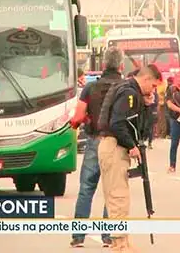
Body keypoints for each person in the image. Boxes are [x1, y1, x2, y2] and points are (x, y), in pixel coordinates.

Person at [98, 65, 161, 252]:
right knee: (118, 197)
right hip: (115, 146)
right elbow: (117, 124)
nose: (154, 91)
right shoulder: (129, 94)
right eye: (154, 86)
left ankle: (122, 240)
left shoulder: (130, 91)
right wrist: (131, 146)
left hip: (114, 147)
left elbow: (143, 127)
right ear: (147, 79)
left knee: (117, 197)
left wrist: (148, 106)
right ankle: (119, 244)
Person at [69, 47, 124, 248]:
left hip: (94, 141)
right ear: (121, 65)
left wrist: (78, 122)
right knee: (112, 190)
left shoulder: (90, 89)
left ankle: (78, 236)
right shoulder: (125, 87)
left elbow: (77, 117)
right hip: (117, 144)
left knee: (86, 188)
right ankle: (107, 236)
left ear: (102, 65)